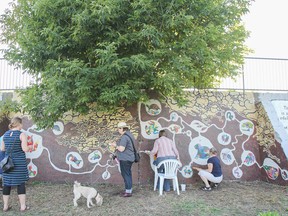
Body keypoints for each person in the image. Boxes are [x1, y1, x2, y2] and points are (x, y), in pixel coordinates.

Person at [1, 117, 32, 212]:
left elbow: (2, 149)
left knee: (6, 184)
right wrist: (30, 146)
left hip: (7, 164)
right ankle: (23, 207)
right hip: (19, 163)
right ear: (19, 124)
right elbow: (25, 149)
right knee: (20, 183)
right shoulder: (22, 134)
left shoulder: (5, 135)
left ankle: (5, 206)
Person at [110, 122, 136, 198]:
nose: (118, 130)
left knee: (126, 174)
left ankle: (128, 192)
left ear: (122, 128)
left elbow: (121, 149)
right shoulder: (129, 135)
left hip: (125, 159)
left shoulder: (124, 137)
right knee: (128, 174)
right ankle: (128, 190)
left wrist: (115, 145)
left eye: (119, 128)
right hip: (129, 158)